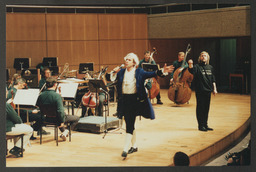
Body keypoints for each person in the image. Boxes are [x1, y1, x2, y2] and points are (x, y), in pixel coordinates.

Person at [111, 53, 174, 158]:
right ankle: (134, 146)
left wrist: (163, 71)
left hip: (135, 101)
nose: (126, 61)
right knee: (129, 123)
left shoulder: (139, 71)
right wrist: (113, 71)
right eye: (126, 59)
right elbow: (111, 78)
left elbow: (152, 73)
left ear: (134, 62)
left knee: (130, 123)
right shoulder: (121, 72)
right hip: (124, 101)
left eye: (129, 60)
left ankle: (125, 149)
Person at [36, 77, 80, 141]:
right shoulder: (56, 96)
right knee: (76, 118)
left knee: (59, 115)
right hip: (57, 119)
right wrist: (62, 122)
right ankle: (65, 131)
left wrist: (59, 94)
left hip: (46, 118)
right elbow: (60, 111)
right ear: (55, 85)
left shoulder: (41, 95)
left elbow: (39, 106)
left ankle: (64, 131)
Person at [188, 51, 217, 132]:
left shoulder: (210, 67)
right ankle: (201, 125)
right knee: (200, 108)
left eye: (205, 56)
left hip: (208, 90)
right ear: (200, 58)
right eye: (202, 56)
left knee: (206, 108)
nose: (203, 57)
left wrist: (214, 88)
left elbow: (213, 79)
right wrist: (190, 64)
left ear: (208, 58)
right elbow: (191, 70)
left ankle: (205, 124)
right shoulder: (197, 66)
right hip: (200, 90)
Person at [6, 89, 33, 157]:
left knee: (19, 128)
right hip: (6, 129)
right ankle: (17, 148)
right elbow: (17, 120)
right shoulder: (6, 105)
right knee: (29, 130)